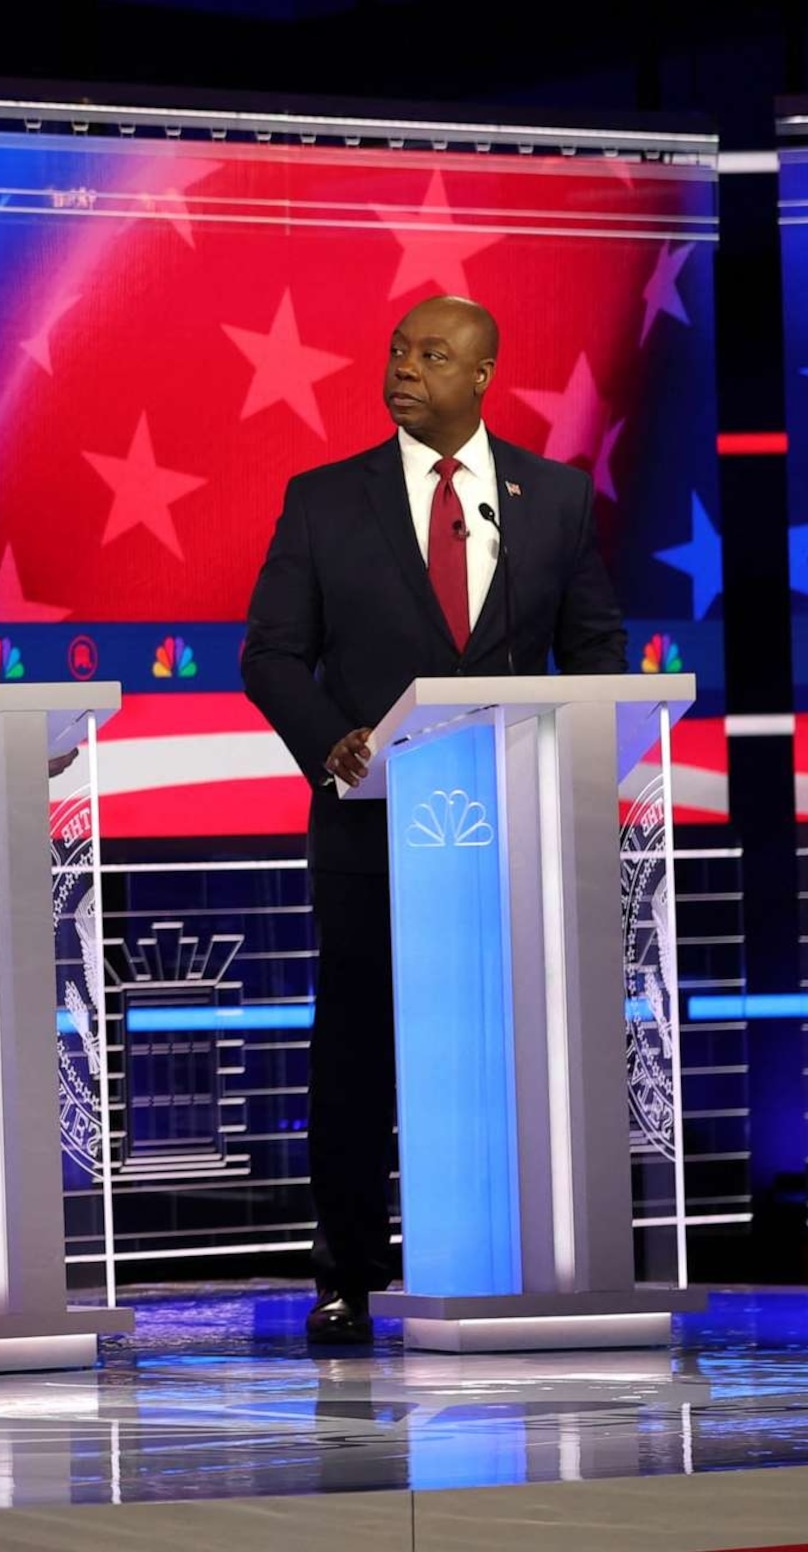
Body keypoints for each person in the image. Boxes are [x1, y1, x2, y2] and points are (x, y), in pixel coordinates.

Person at [241, 294, 624, 1349]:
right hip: (374, 834)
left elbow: (594, 655)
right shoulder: (324, 500)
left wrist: (596, 744)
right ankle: (350, 1277)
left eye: (434, 353)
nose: (406, 366)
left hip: (517, 834)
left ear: (485, 373)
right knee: (359, 1058)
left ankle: (518, 1256)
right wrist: (335, 741)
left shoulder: (549, 498)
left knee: (511, 1046)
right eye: (398, 347)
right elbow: (270, 653)